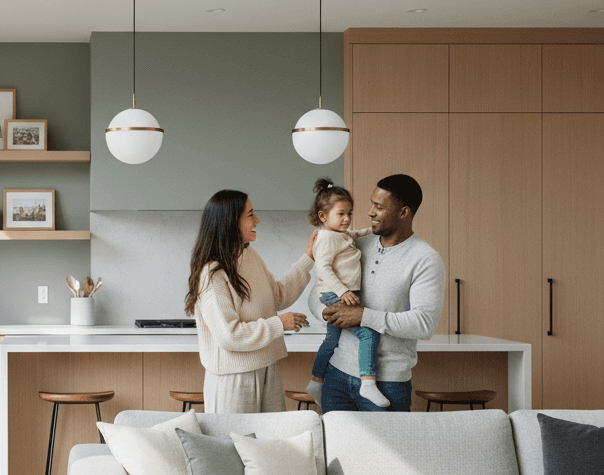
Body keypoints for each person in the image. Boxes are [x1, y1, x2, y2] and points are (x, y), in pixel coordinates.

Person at [321, 173, 445, 412]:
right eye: (371, 204)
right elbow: (320, 289)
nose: (369, 212)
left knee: (384, 451)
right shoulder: (356, 245)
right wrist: (325, 309)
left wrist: (362, 316)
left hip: (387, 383)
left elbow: (424, 324)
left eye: (378, 207)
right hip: (336, 375)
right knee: (335, 450)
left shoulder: (425, 259)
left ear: (403, 212)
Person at [184, 190, 315, 414]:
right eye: (250, 215)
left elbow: (278, 295)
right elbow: (230, 335)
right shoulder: (212, 273)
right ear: (230, 222)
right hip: (233, 379)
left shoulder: (249, 256)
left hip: (267, 367)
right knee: (233, 447)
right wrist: (279, 324)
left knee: (269, 445)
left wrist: (309, 257)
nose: (257, 220)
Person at [304, 179, 387, 409]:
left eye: (350, 213)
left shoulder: (339, 234)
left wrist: (371, 230)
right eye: (341, 214)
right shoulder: (326, 238)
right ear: (323, 216)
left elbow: (354, 234)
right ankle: (368, 382)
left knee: (332, 340)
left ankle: (316, 380)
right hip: (335, 294)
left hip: (337, 293)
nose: (347, 219)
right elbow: (323, 268)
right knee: (368, 334)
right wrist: (343, 292)